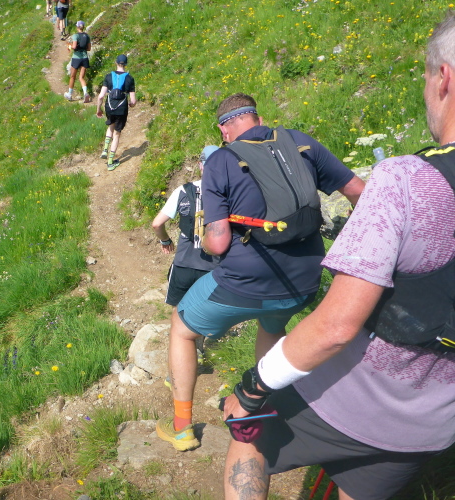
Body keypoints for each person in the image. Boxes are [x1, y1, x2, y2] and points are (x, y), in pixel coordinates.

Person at [220, 13, 455, 500]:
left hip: (348, 397)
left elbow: (335, 328)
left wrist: (252, 388)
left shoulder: (407, 179)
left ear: (444, 78)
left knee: (247, 435)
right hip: (434, 425)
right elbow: (354, 188)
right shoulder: (303, 143)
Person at [156, 92, 365, 452]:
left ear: (224, 131)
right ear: (258, 118)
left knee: (182, 327)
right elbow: (359, 191)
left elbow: (218, 243)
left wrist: (212, 235)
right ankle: (260, 412)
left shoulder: (221, 161)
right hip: (303, 283)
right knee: (272, 325)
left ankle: (181, 428)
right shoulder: (300, 143)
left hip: (245, 282)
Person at [152, 145, 221, 308]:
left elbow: (157, 224)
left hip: (184, 263)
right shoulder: (230, 193)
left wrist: (165, 240)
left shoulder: (183, 191)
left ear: (200, 165)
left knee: (179, 311)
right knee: (207, 313)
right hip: (214, 266)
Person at [96, 54, 136, 171]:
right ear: (126, 64)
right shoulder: (130, 78)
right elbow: (133, 101)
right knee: (117, 134)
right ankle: (110, 162)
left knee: (110, 125)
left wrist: (99, 109)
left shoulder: (108, 76)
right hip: (121, 108)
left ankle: (105, 149)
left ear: (116, 62)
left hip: (109, 106)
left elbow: (101, 96)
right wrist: (132, 104)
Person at [64, 21, 91, 103]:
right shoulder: (87, 36)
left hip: (76, 58)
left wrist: (69, 46)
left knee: (72, 76)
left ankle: (69, 94)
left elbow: (74, 46)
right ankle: (85, 93)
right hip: (85, 58)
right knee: (81, 77)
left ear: (77, 27)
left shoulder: (75, 36)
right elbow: (89, 48)